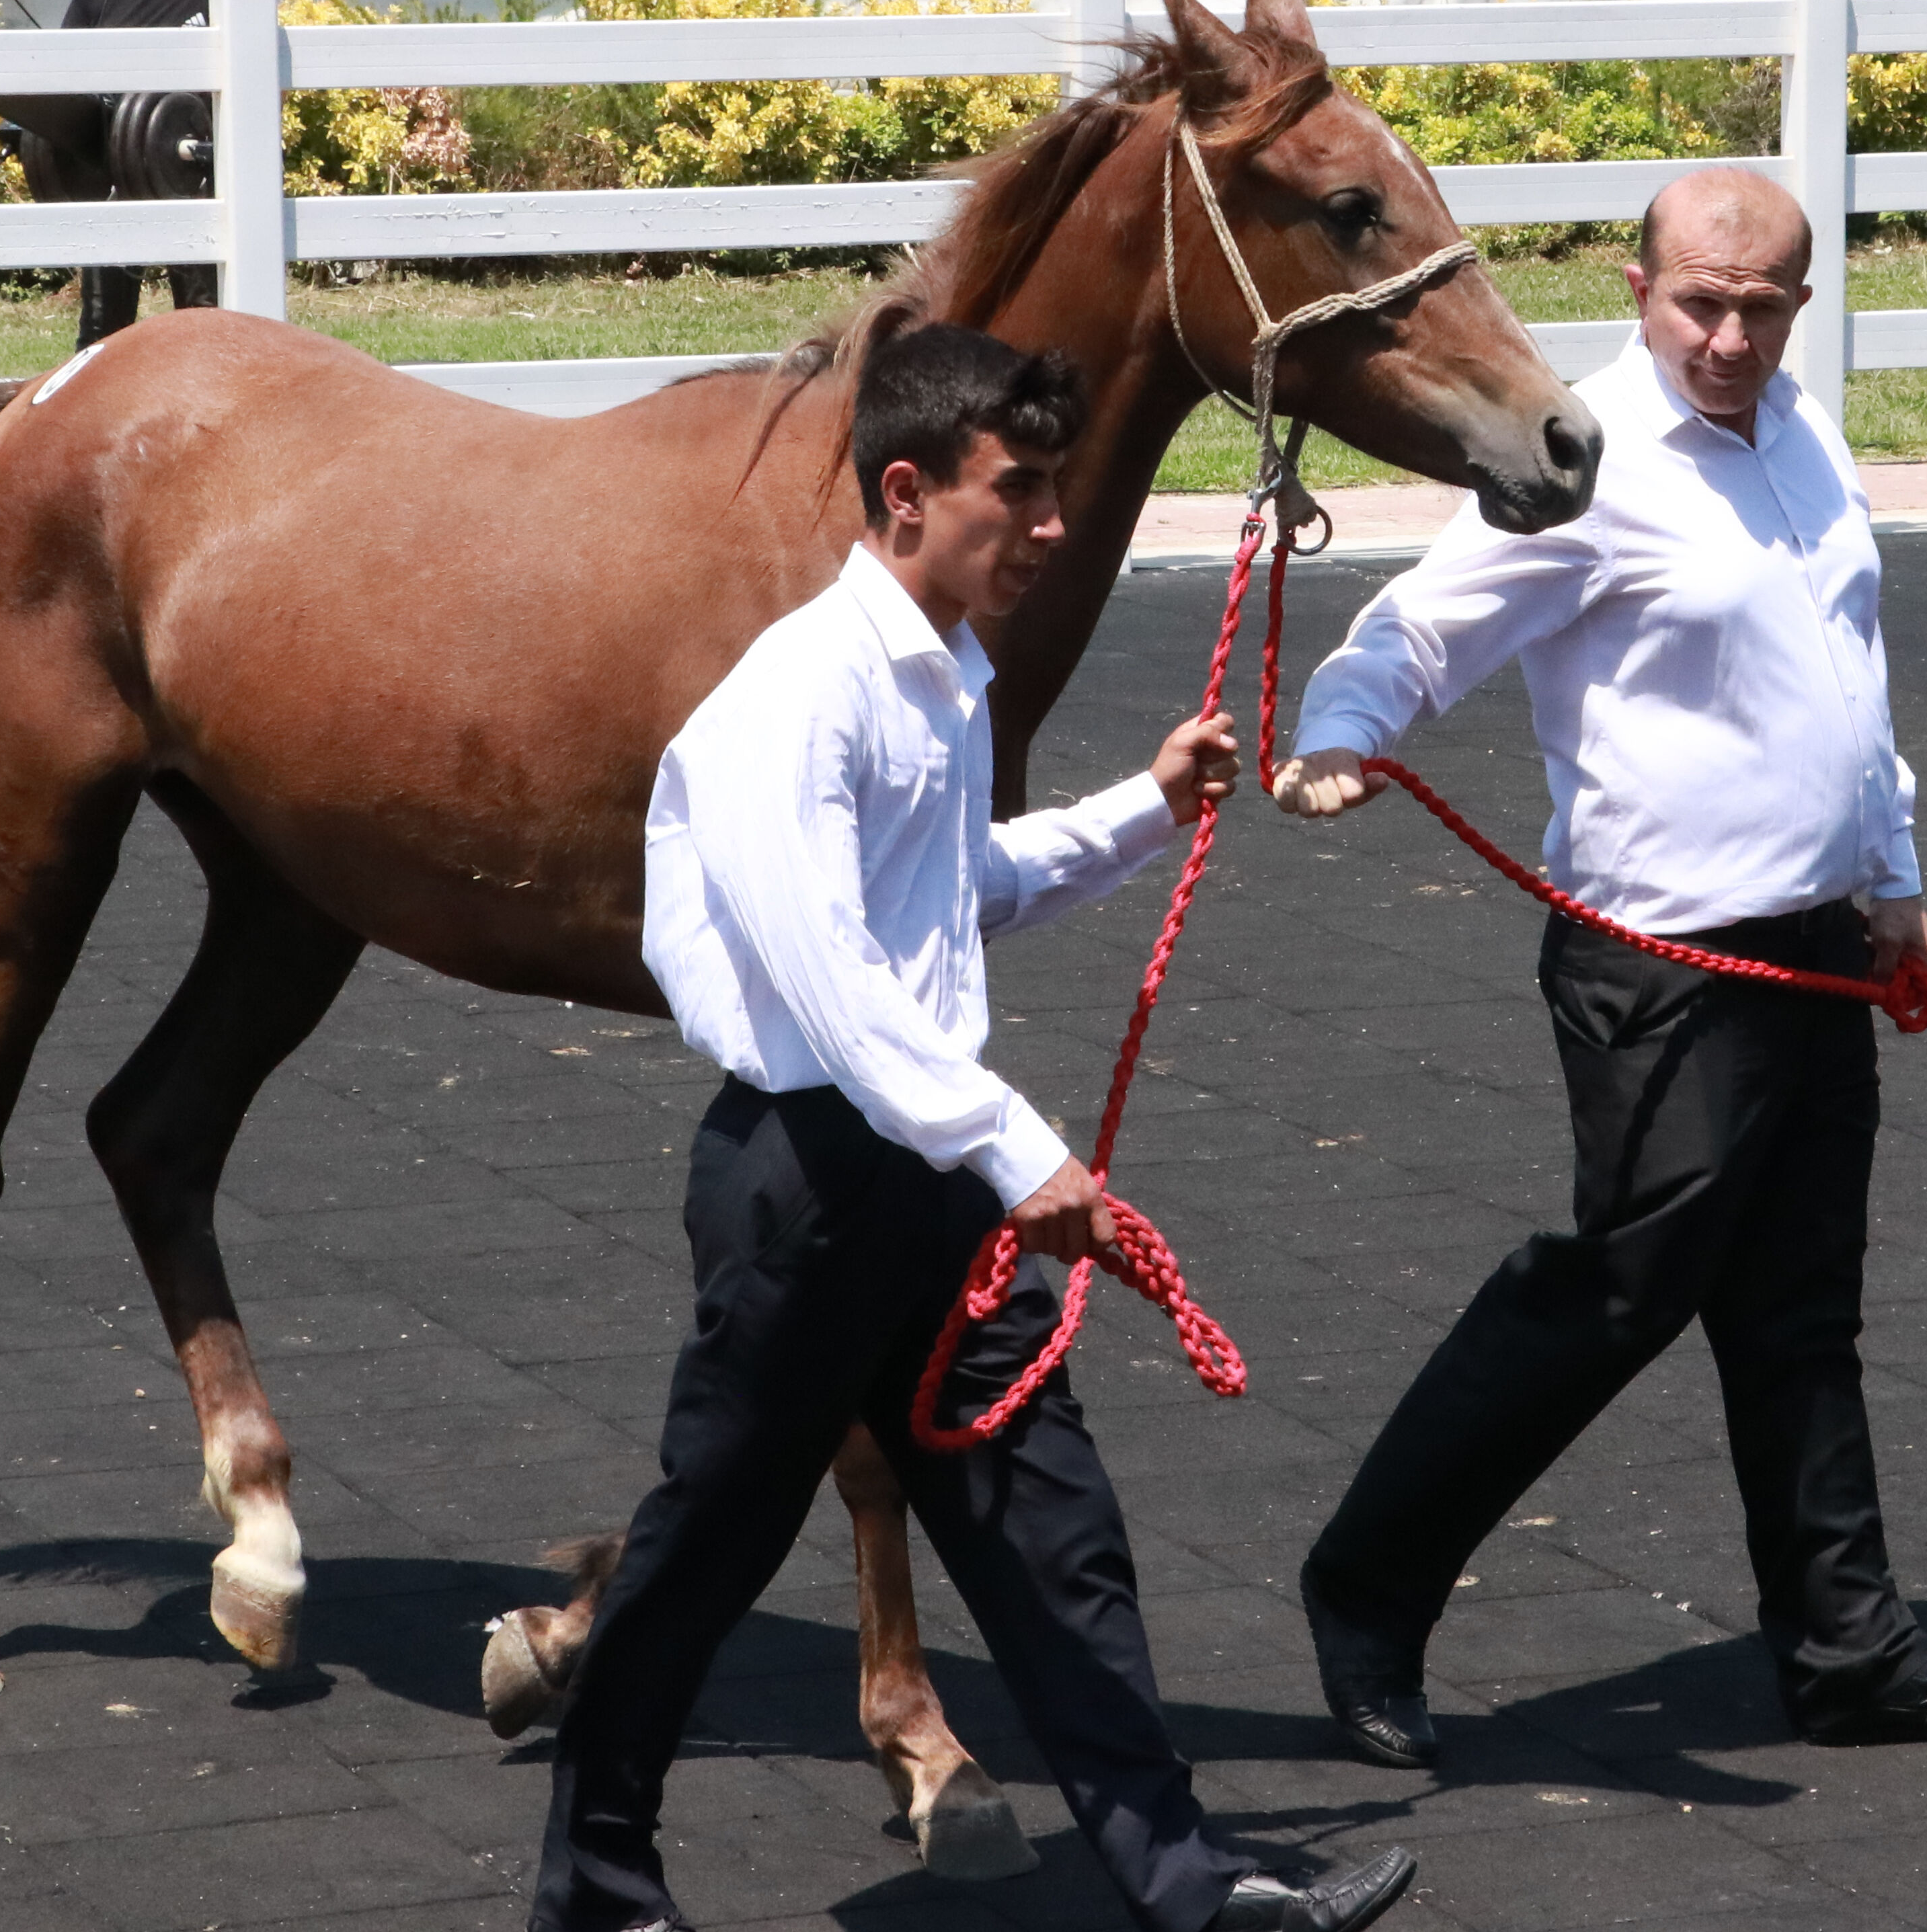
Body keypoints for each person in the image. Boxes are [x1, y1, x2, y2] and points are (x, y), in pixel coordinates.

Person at [531, 323, 1413, 1932]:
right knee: (704, 1555)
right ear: (907, 492)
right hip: (806, 1188)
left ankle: (1190, 1886)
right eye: (1022, 490)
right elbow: (839, 983)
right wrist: (1023, 1154)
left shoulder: (939, 683)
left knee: (1054, 1539)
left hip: (924, 1186)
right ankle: (591, 1885)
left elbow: (954, 901)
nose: (1055, 523)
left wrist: (1143, 807)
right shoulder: (795, 699)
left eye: (1058, 488)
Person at [1269, 168, 1927, 1765]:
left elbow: (1849, 676)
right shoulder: (1591, 463)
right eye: (1700, 302)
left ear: (1798, 306)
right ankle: (1365, 1587)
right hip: (1662, 964)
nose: (1727, 335)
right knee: (1617, 1293)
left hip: (1815, 950)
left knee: (1799, 1316)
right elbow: (1425, 624)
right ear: (1637, 288)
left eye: (1761, 307)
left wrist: (1892, 879)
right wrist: (1343, 734)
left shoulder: (1811, 438)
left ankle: (1848, 1652)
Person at [58, 0, 254, 348]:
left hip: (197, 185)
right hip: (114, 181)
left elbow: (261, 98)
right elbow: (64, 82)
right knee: (102, 337)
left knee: (205, 329)